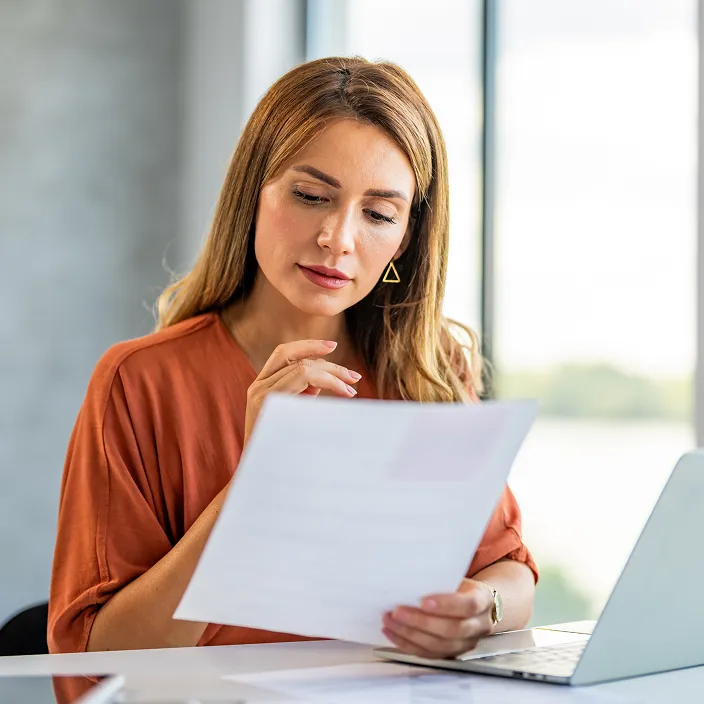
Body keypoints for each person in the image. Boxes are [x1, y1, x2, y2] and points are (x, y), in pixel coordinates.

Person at [48, 56, 538, 660]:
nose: (338, 237)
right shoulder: (139, 382)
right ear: (253, 192)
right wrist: (256, 486)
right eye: (310, 196)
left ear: (406, 238)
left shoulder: (428, 368)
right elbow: (95, 656)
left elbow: (510, 575)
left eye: (379, 213)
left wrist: (479, 610)